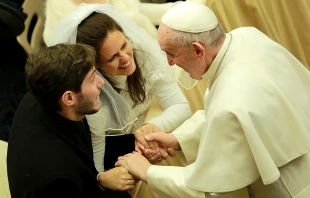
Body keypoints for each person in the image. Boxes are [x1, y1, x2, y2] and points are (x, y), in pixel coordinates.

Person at [115, 2, 310, 198]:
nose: (169, 62)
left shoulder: (232, 100)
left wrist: (147, 171)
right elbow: (233, 121)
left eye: (171, 54)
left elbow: (208, 186)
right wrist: (177, 139)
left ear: (198, 50)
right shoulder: (247, 37)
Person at [46, 2, 191, 191]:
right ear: (96, 66)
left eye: (124, 44)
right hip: (118, 152)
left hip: (149, 137)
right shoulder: (94, 98)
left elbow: (181, 105)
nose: (125, 57)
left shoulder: (145, 56)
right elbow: (97, 166)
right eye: (112, 57)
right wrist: (103, 180)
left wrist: (150, 129)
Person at [7, 43, 133, 198]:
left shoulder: (44, 92)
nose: (101, 83)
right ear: (68, 98)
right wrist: (100, 182)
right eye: (92, 79)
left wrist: (137, 143)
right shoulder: (58, 178)